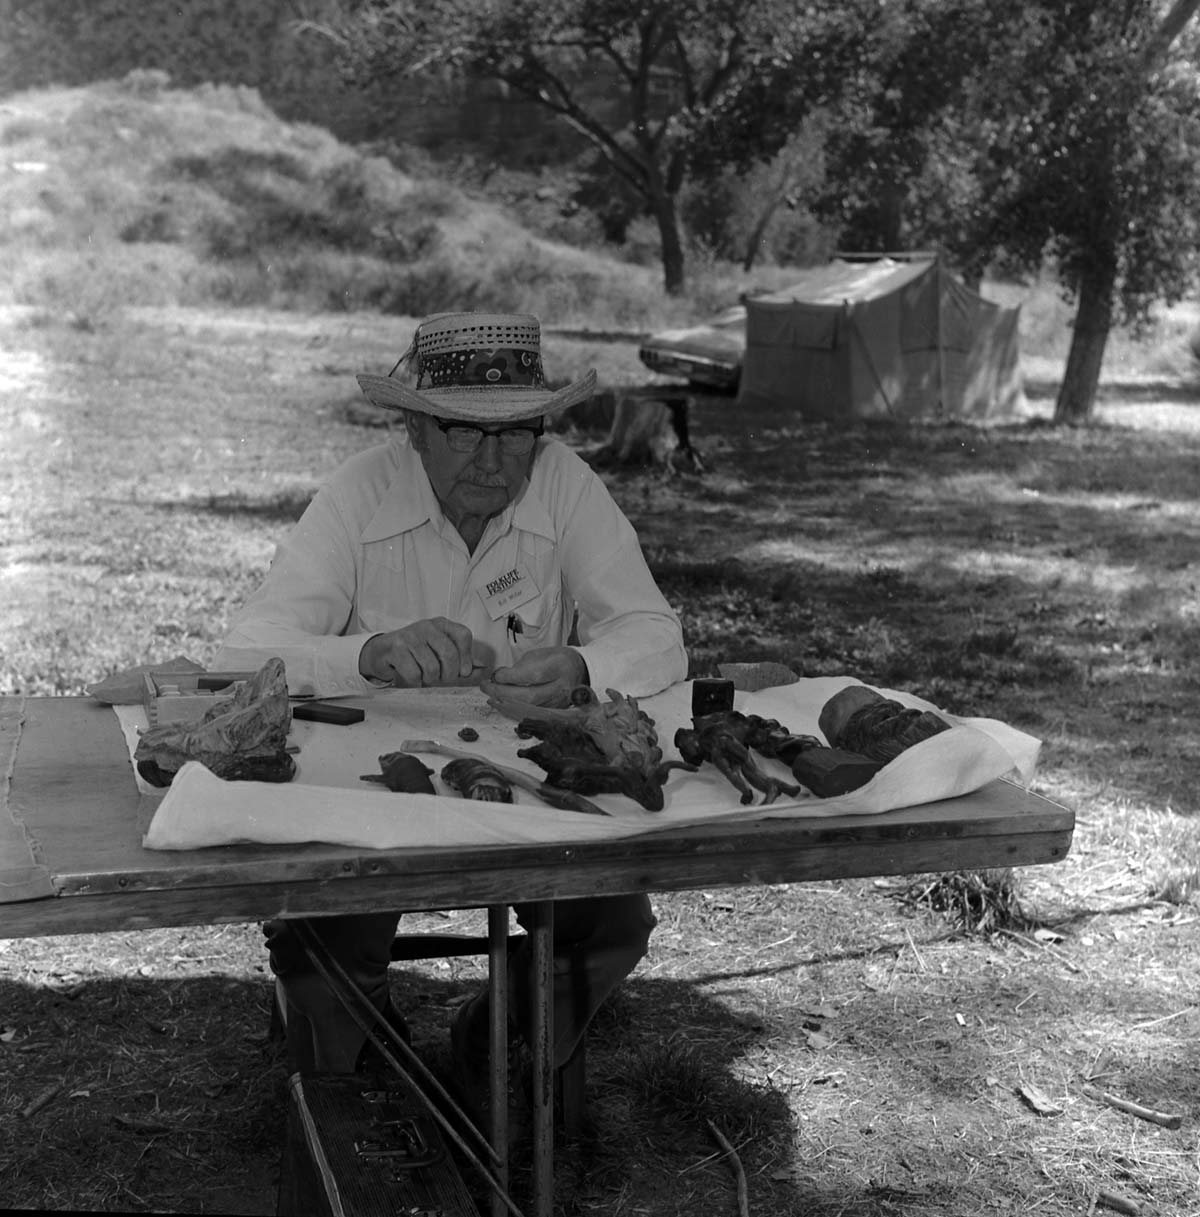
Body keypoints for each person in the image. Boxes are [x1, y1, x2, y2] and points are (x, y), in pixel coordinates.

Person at [212, 310, 687, 1136]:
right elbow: (248, 646)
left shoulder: (566, 482)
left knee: (612, 918)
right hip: (371, 785)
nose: (494, 460)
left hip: (527, 773)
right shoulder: (362, 490)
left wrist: (582, 666)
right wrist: (369, 653)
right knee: (317, 924)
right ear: (415, 427)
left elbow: (655, 633)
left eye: (518, 434)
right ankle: (355, 1071)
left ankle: (494, 1041)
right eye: (465, 433)